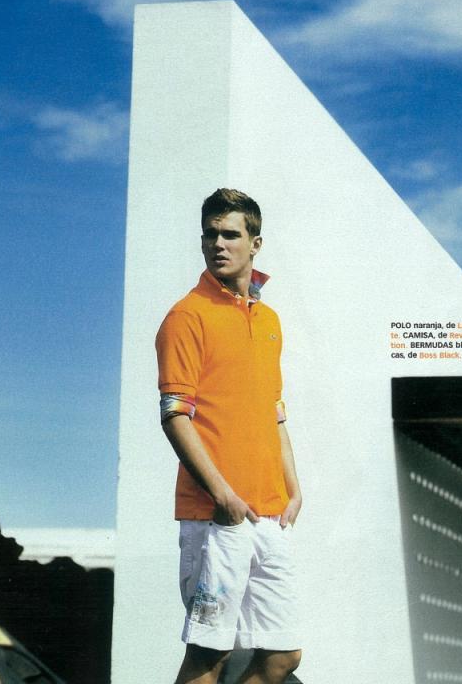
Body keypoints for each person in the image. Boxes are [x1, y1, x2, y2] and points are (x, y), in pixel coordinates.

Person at [155, 188, 302, 684]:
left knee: (283, 655)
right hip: (216, 517)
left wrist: (294, 489)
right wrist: (222, 496)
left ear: (255, 243)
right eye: (210, 235)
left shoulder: (270, 321)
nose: (218, 244)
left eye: (230, 234)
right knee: (209, 656)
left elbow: (274, 412)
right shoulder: (187, 315)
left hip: (269, 514)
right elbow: (175, 415)